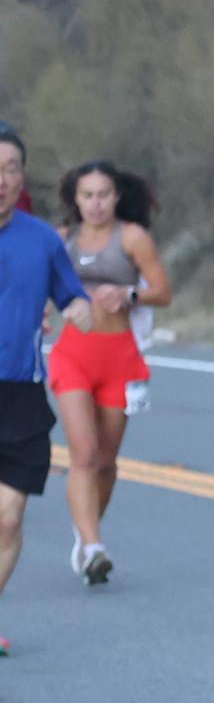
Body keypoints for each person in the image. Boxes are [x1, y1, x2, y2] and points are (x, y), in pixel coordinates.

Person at [0, 123, 97, 654]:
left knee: (8, 518)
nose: (1, 179)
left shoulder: (42, 241)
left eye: (10, 168)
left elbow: (71, 296)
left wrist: (82, 310)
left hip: (20, 395)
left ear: (22, 177)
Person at [49, 162, 170, 586]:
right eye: (88, 195)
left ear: (116, 197)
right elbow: (39, 285)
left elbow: (163, 291)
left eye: (103, 194)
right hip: (73, 354)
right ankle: (94, 546)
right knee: (83, 453)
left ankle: (86, 535)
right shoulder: (61, 240)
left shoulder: (133, 238)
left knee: (105, 460)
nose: (96, 203)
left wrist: (129, 293)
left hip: (120, 356)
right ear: (75, 199)